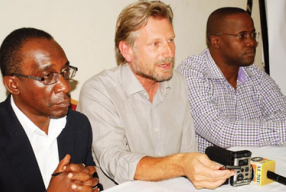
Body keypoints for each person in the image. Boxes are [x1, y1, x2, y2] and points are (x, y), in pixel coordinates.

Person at [77, 1, 233, 190]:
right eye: (155, 44)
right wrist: (181, 164)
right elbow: (115, 161)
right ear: (127, 50)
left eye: (170, 40)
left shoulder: (178, 83)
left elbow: (188, 150)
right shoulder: (99, 91)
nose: (169, 52)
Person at [0, 28, 101, 192]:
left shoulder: (77, 125)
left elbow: (94, 183)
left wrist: (89, 186)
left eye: (65, 72)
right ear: (13, 84)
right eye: (47, 76)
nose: (65, 86)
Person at [177, 7, 286, 153]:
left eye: (253, 34)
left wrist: (239, 130)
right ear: (216, 41)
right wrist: (272, 128)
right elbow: (221, 132)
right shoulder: (191, 74)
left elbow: (282, 112)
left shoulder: (254, 73)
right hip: (211, 171)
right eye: (242, 36)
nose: (251, 43)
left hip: (258, 165)